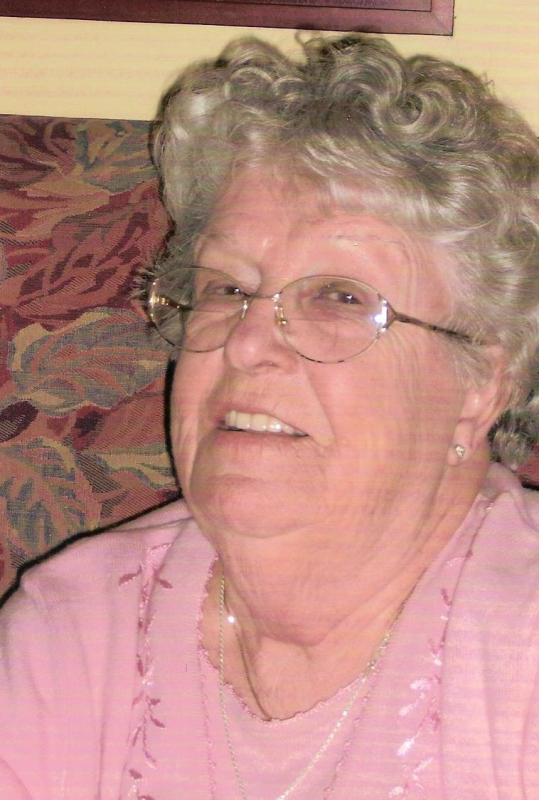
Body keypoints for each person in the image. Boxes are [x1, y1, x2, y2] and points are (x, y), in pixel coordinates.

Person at [1, 33, 539, 800]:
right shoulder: (75, 635)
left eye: (339, 298)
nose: (246, 341)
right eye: (226, 289)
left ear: (480, 384)